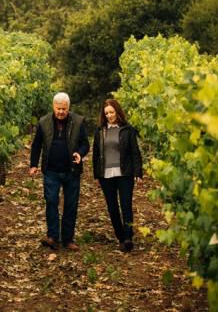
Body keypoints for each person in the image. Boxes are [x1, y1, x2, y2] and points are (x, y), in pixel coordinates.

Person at [29, 92, 89, 251]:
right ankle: (53, 237)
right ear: (53, 106)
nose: (61, 112)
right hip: (51, 170)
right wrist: (33, 165)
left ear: (68, 108)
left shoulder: (78, 121)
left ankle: (68, 239)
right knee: (51, 201)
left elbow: (85, 144)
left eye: (64, 109)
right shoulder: (44, 122)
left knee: (71, 204)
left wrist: (80, 153)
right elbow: (37, 145)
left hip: (72, 171)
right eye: (58, 108)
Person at [92, 98, 143, 252]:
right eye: (106, 113)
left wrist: (138, 172)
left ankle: (128, 237)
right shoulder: (100, 132)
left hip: (124, 173)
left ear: (117, 112)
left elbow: (135, 152)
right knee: (112, 207)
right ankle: (120, 237)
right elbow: (96, 154)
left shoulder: (128, 130)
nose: (109, 115)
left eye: (111, 112)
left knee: (126, 205)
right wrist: (97, 175)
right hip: (106, 175)